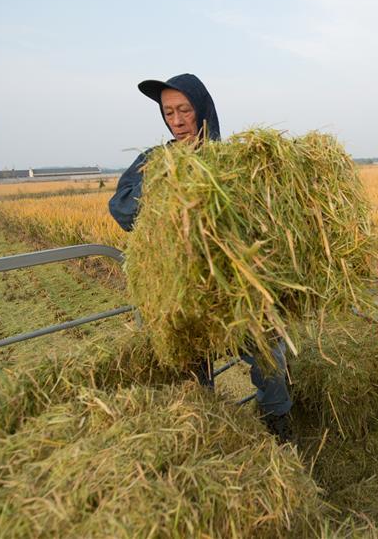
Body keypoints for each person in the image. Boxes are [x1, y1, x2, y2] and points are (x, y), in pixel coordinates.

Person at [109, 73, 294, 442]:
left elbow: (265, 219)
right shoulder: (154, 160)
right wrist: (164, 180)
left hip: (235, 289)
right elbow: (122, 209)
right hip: (181, 290)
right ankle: (207, 432)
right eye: (169, 113)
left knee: (267, 353)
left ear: (203, 110)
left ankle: (278, 425)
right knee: (191, 369)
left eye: (185, 110)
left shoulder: (232, 161)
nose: (177, 121)